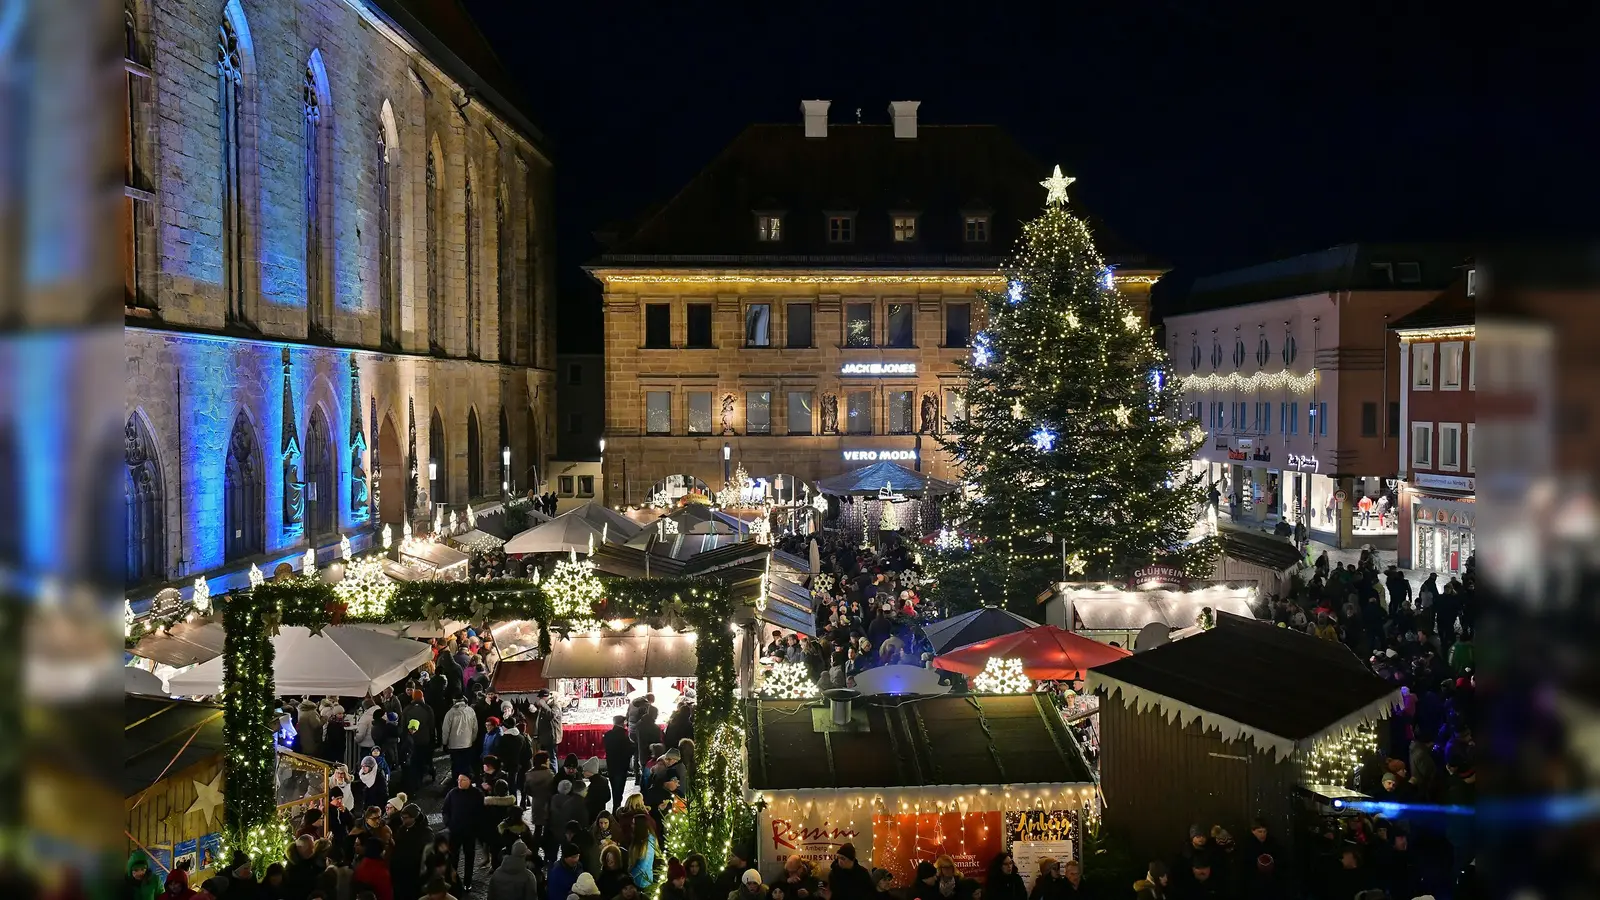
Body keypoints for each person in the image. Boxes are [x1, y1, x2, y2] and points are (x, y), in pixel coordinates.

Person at [441, 774, 483, 890]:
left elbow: (482, 813)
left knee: (469, 857)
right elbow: (445, 810)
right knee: (453, 857)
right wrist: (448, 823)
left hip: (470, 832)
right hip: (455, 832)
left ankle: (467, 882)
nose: (459, 782)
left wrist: (477, 827)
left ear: (469, 780)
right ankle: (453, 881)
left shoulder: (477, 794)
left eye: (463, 780)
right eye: (458, 780)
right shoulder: (452, 793)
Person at [390, 803, 433, 900]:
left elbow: (427, 854)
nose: (403, 820)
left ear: (415, 818)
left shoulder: (425, 833)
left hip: (414, 874)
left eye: (406, 818)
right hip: (401, 873)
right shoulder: (402, 829)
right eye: (402, 818)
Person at [442, 698, 480, 781]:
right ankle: (466, 783)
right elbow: (475, 728)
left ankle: (456, 783)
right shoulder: (470, 711)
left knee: (456, 765)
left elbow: (445, 730)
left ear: (454, 701)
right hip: (467, 744)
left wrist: (445, 743)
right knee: (466, 765)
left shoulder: (450, 713)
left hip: (454, 745)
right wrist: (472, 740)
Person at [603, 716, 635, 809]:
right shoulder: (625, 735)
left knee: (614, 787)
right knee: (619, 788)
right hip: (622, 766)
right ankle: (617, 808)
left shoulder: (608, 734)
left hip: (611, 765)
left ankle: (615, 806)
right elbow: (629, 750)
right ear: (623, 722)